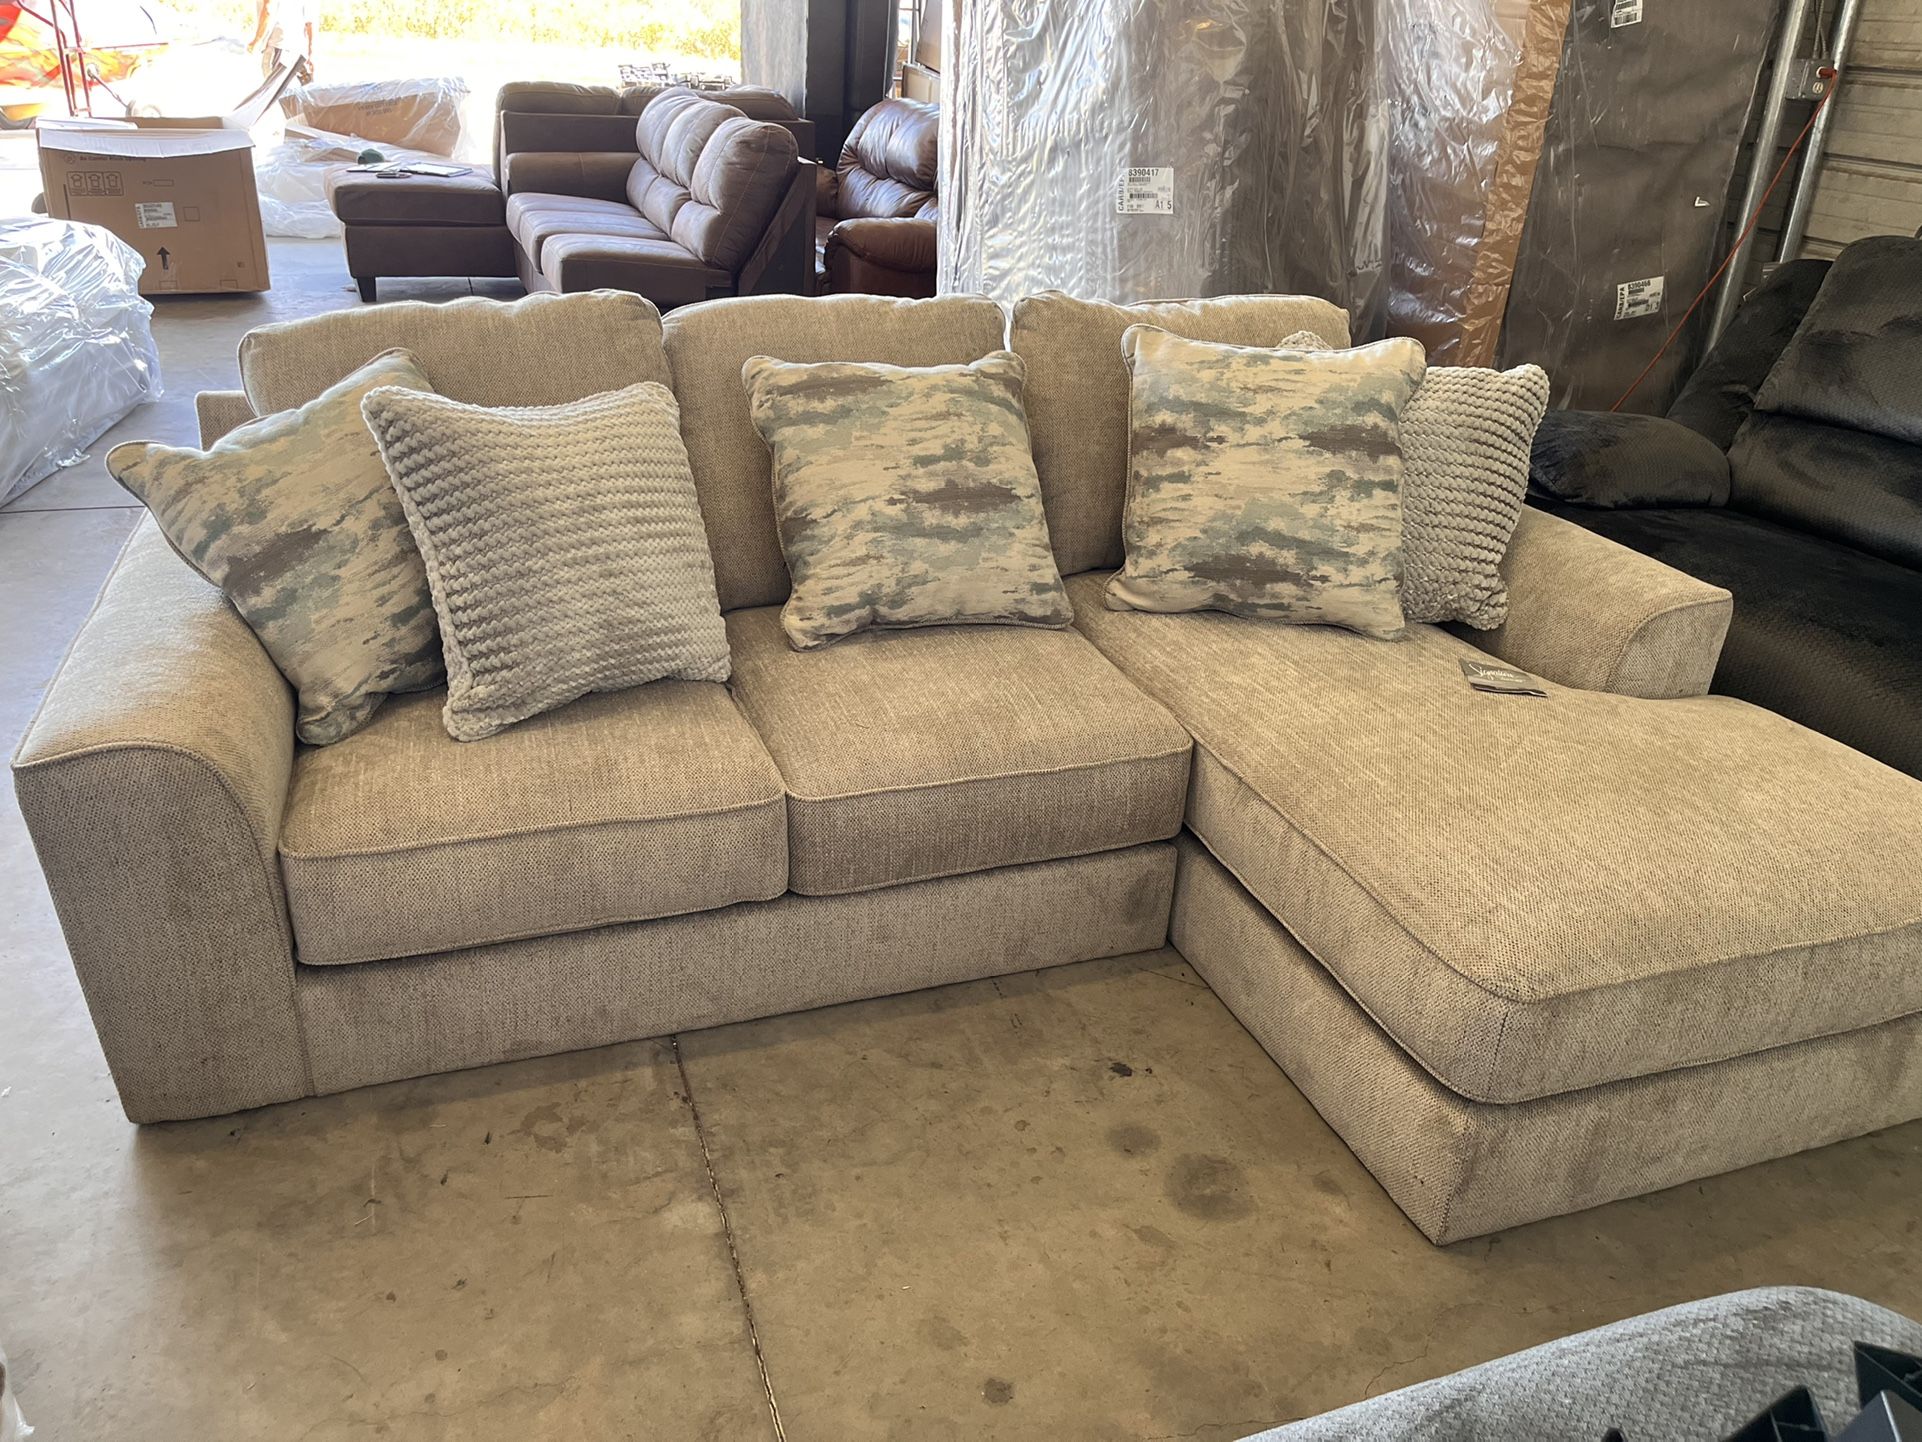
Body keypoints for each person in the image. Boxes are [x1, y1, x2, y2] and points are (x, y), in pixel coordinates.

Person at [248, 0, 318, 78]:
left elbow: (267, 11)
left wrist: (257, 40)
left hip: (278, 43)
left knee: (272, 81)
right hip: (293, 48)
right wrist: (310, 54)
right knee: (279, 81)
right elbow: (309, 24)